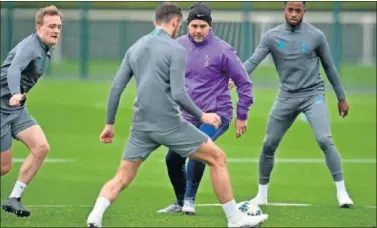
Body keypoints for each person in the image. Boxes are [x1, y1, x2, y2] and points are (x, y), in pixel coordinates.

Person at [86, 3, 268, 228]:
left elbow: (116, 88)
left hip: (141, 126)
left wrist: (109, 124)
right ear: (177, 23)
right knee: (217, 158)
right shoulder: (176, 49)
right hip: (172, 124)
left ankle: (95, 215)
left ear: (155, 21)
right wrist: (202, 116)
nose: (197, 30)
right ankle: (234, 219)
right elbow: (179, 93)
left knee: (122, 177)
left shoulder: (135, 47)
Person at [243, 1, 353, 208]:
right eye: (290, 10)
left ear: (304, 11)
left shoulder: (316, 36)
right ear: (284, 10)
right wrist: (236, 76)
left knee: (324, 139)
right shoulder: (271, 37)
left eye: (298, 10)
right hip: (286, 97)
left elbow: (329, 68)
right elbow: (252, 61)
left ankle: (342, 192)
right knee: (268, 144)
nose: (294, 14)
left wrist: (341, 97)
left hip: (313, 95)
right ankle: (262, 195)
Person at [157, 2, 253, 215]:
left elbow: (244, 82)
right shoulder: (178, 46)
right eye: (194, 26)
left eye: (202, 26)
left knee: (198, 148)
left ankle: (190, 199)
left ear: (210, 26)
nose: (198, 30)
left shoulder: (223, 50)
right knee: (172, 158)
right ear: (187, 26)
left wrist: (242, 115)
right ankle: (181, 201)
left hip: (218, 114)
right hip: (188, 114)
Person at [0, 5, 63, 217]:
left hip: (16, 109)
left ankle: (14, 198)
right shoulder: (30, 46)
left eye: (59, 27)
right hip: (2, 108)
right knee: (3, 167)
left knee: (41, 147)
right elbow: (14, 69)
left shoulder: (44, 49)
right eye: (51, 26)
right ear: (38, 27)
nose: (56, 30)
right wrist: (16, 93)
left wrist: (18, 99)